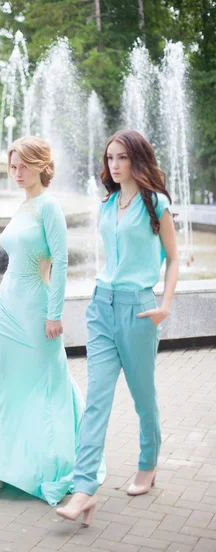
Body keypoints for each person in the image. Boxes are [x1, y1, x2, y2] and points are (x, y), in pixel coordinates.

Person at [0, 135, 105, 506]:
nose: (16, 173)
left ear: (40, 165)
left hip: (36, 307)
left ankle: (52, 460)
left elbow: (61, 262)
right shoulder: (23, 206)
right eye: (12, 166)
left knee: (45, 383)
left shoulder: (49, 207)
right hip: (5, 306)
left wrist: (54, 313)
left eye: (23, 166)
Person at [57, 129, 179, 525]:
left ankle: (148, 463)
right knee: (96, 400)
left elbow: (174, 260)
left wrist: (164, 307)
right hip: (102, 306)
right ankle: (83, 490)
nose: (114, 164)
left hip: (139, 310)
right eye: (110, 158)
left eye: (122, 157)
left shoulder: (156, 204)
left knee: (144, 397)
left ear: (137, 159)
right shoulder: (108, 204)